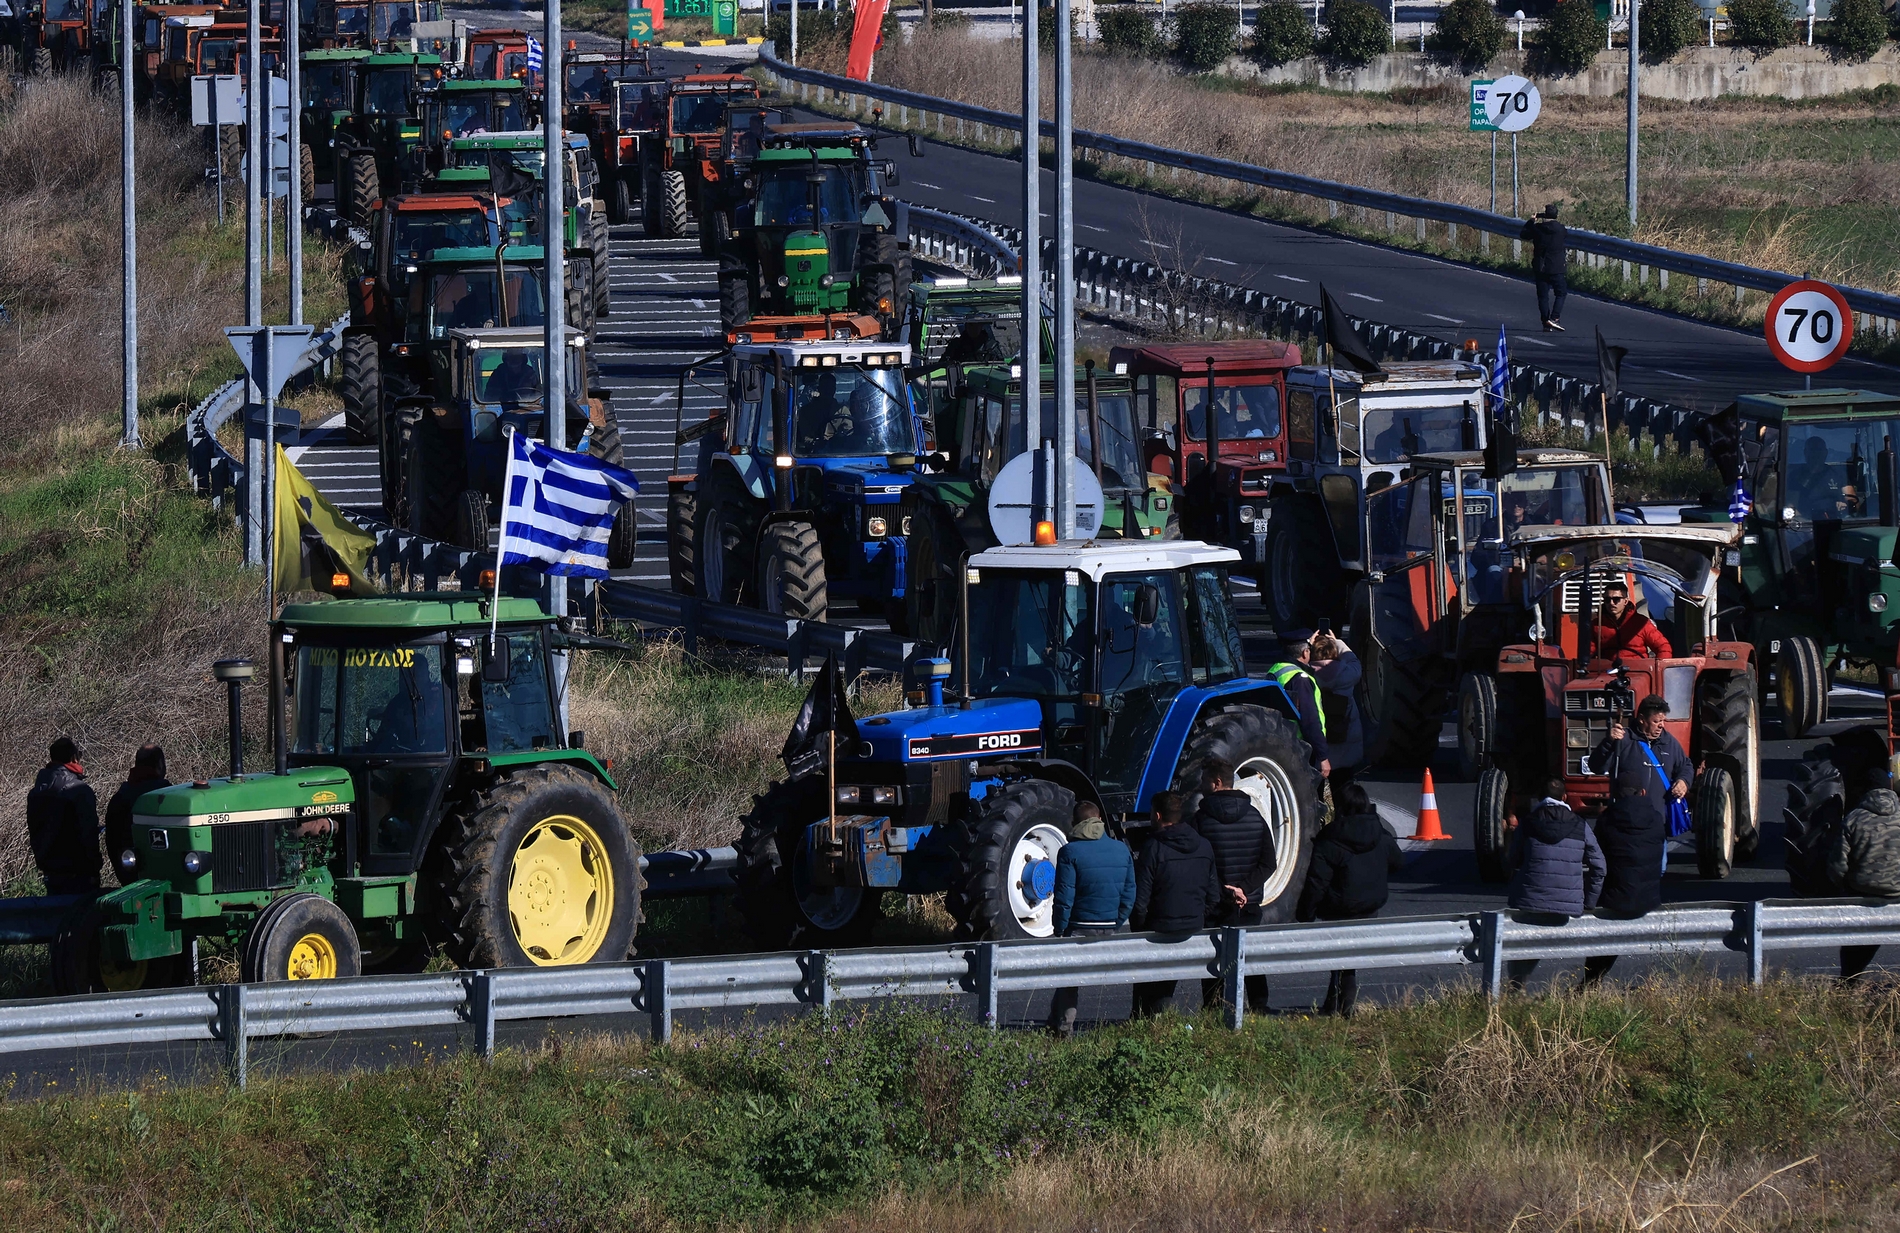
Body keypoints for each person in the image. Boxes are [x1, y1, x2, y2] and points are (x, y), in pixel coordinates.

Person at [1581, 695, 1690, 986]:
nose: (1660, 726)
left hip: (1656, 828)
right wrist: (1608, 741)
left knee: (1658, 869)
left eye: (1663, 721)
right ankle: (1620, 913)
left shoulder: (1669, 744)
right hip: (1623, 825)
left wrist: (1683, 782)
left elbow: (1686, 766)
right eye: (1656, 721)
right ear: (1642, 718)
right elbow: (1595, 765)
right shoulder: (1624, 739)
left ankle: (1639, 913)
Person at [1295, 783, 1402, 1015]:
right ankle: (1341, 1004)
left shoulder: (1330, 840)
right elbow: (1397, 862)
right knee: (1349, 958)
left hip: (1338, 906)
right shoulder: (1379, 835)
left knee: (1338, 957)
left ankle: (1338, 1006)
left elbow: (1317, 882)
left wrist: (1306, 913)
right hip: (1370, 905)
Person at [1500, 776, 1607, 991]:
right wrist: (1589, 902)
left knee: (1526, 945)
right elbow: (1600, 867)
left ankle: (1515, 989)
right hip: (1569, 905)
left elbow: (1513, 859)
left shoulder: (1529, 822)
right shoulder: (1580, 825)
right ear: (1565, 797)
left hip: (1530, 900)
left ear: (1539, 798)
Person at [1190, 757, 1277, 1016]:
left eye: (1204, 780)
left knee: (1214, 958)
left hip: (1216, 904)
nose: (1201, 785)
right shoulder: (1255, 817)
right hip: (1247, 902)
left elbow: (1198, 865)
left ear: (1217, 783)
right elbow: (1268, 863)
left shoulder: (1200, 820)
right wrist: (1244, 889)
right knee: (1251, 956)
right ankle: (1259, 1006)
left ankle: (1214, 1007)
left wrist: (1224, 891)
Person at [1046, 802, 1137, 1037]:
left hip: (1078, 926)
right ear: (1100, 820)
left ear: (1075, 823)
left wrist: (1060, 927)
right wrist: (1116, 921)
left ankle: (1063, 1027)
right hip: (1109, 925)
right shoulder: (1121, 849)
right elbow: (1129, 893)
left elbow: (1065, 895)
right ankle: (1052, 1021)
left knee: (1069, 980)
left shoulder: (1070, 852)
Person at [1131, 791, 1223, 1018]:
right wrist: (1197, 915)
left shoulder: (1153, 847)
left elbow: (1140, 900)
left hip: (1159, 926)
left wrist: (1141, 928)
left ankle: (1146, 1019)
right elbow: (1214, 896)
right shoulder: (1204, 846)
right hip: (1193, 924)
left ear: (1158, 815)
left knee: (1150, 986)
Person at [1828, 778, 1900, 981]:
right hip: (1898, 894)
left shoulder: (1855, 818)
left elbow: (1838, 865)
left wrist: (1844, 888)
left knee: (1858, 944)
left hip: (1863, 892)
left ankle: (1849, 981)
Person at [25, 736, 101, 895]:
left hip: (50, 872)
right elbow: (88, 833)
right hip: (79, 874)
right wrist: (94, 867)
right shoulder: (79, 791)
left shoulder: (36, 792)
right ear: (74, 758)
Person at [1266, 629, 1331, 781]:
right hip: (1302, 747)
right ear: (1305, 653)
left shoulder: (1276, 669)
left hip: (1281, 742)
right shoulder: (1300, 678)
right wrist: (1322, 755)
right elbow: (1310, 719)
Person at [103, 745, 170, 885]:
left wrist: (125, 876)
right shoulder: (170, 797)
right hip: (167, 878)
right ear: (160, 765)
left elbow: (112, 842)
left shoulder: (120, 798)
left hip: (130, 877)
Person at [1307, 632, 1364, 784]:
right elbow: (1353, 660)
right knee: (1343, 787)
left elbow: (1295, 662)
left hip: (1318, 746)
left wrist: (1308, 644)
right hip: (1344, 741)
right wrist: (1337, 642)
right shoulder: (1348, 673)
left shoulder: (1306, 674)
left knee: (1314, 793)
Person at [1595, 580, 1673, 660]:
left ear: (1625, 601)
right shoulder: (1596, 625)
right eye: (1607, 600)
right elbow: (1587, 652)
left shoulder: (1641, 623)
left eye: (1616, 599)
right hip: (1606, 670)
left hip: (1639, 670)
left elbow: (1663, 647)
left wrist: (1658, 669)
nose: (1611, 603)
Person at [1520, 203, 1568, 332]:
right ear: (1556, 215)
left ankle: (1545, 321)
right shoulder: (1561, 229)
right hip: (1557, 267)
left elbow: (1524, 234)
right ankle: (1555, 318)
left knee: (1543, 296)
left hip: (1540, 266)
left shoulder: (1538, 229)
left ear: (1544, 215)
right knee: (1561, 292)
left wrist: (1531, 221)